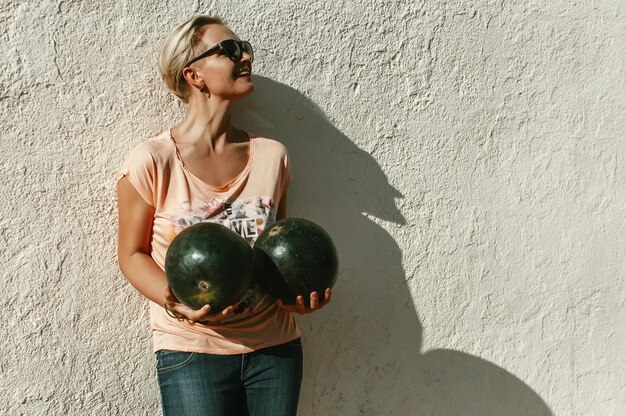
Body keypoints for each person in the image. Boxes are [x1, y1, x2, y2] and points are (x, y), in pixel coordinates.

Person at [116, 15, 331, 416]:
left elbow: (275, 249)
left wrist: (295, 296)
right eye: (230, 50)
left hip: (275, 350)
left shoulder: (273, 156)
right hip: (193, 352)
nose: (246, 55)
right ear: (194, 74)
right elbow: (131, 254)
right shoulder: (153, 160)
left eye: (245, 47)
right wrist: (173, 300)